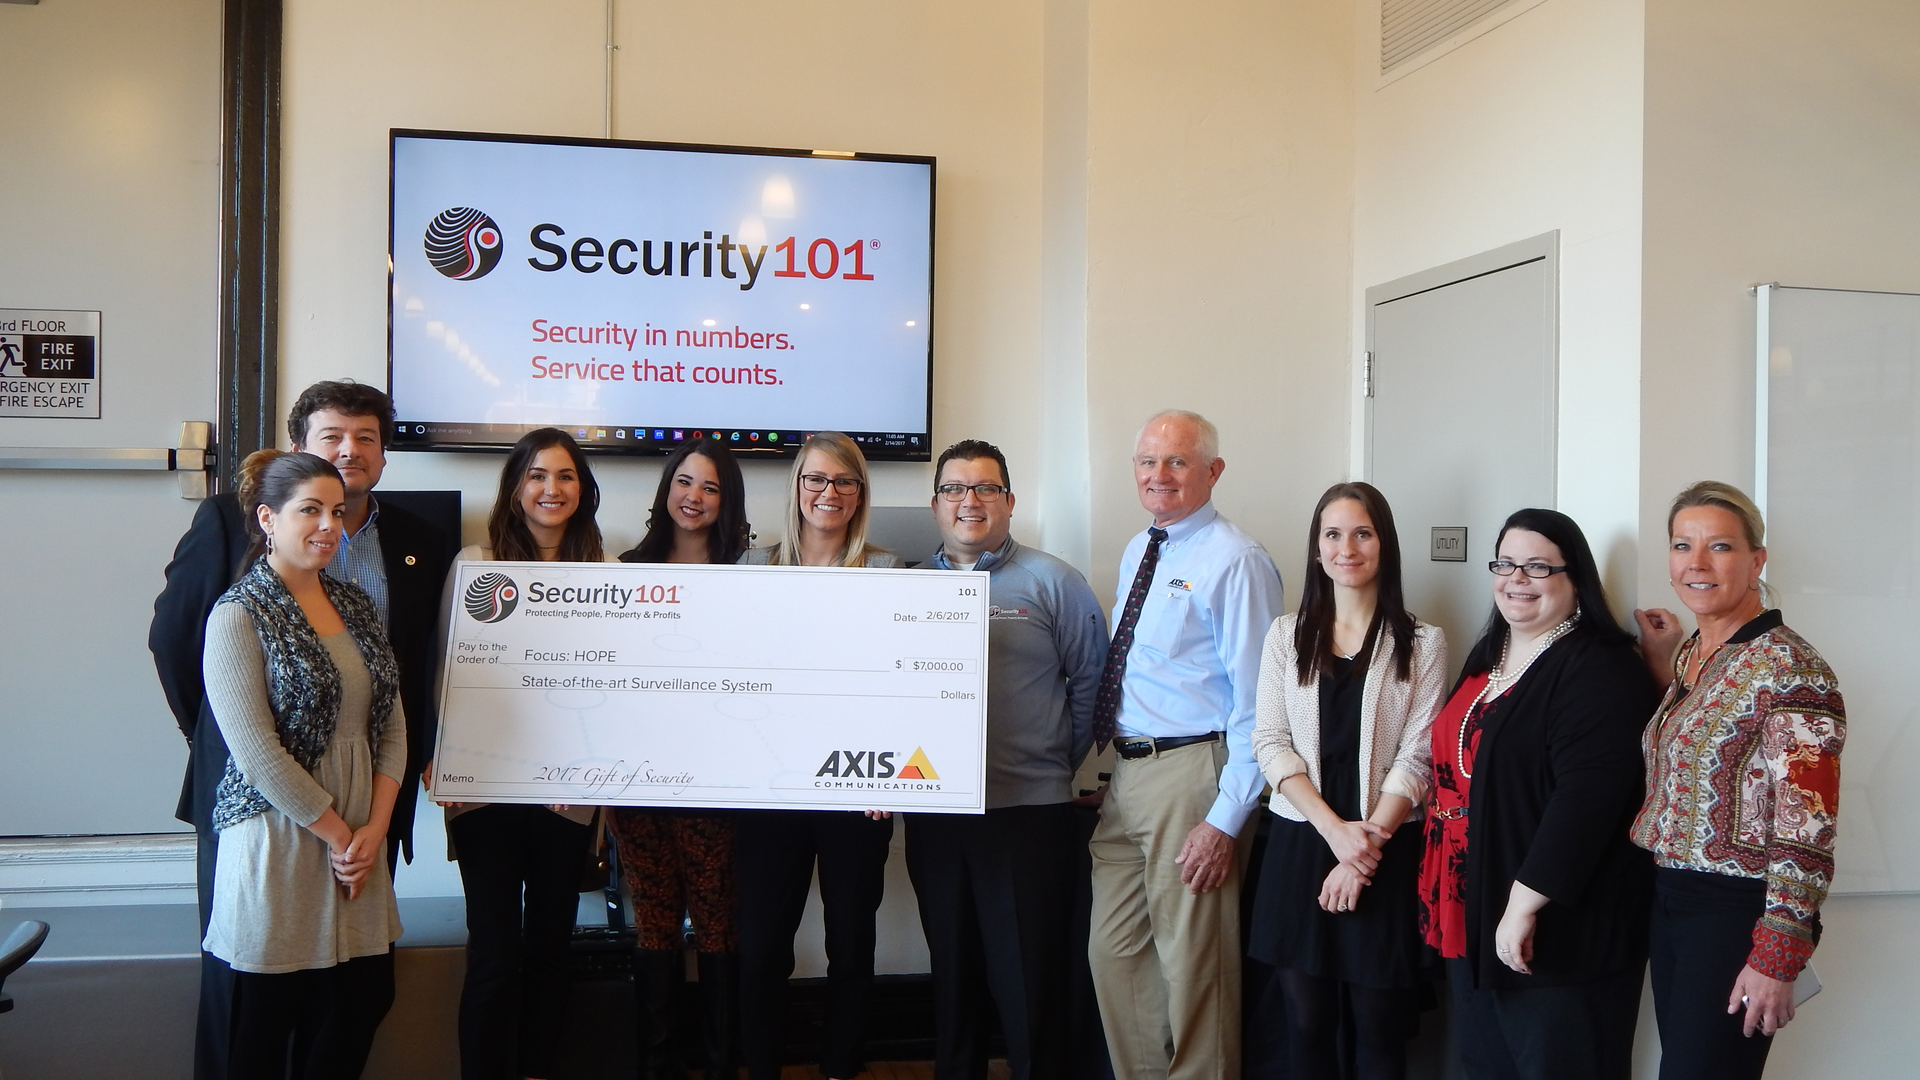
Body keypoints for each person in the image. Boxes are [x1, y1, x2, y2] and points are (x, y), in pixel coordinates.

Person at [151, 380, 450, 1080]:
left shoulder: (407, 547)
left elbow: (403, 690)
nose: (350, 450)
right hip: (266, 811)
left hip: (365, 808)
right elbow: (174, 641)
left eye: (366, 438)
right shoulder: (229, 543)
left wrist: (371, 824)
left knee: (354, 994)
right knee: (253, 1004)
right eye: (332, 436)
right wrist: (225, 743)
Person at [1416, 508, 1658, 1080]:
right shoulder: (1490, 656)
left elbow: (1587, 802)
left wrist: (1522, 906)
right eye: (1505, 564)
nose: (1516, 579)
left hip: (1557, 930)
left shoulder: (1600, 667)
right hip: (1475, 912)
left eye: (1538, 567)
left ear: (1576, 579)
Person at [1087, 410, 1284, 1080]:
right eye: (1148, 461)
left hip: (1195, 772)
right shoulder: (1140, 550)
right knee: (1116, 955)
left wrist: (1225, 819)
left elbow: (1260, 704)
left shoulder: (1237, 560)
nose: (1159, 475)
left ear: (1213, 471)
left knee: (1195, 969)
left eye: (1177, 461)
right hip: (1130, 774)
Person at [905, 439, 1109, 1080]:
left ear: (1010, 501)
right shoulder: (906, 587)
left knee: (1029, 979)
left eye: (985, 488)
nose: (970, 501)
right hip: (937, 816)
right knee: (952, 972)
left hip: (1028, 816)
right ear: (935, 504)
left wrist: (1049, 763)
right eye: (954, 488)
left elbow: (1093, 686)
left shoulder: (1054, 581)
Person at [200, 449, 405, 1077]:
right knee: (267, 1020)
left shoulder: (356, 604)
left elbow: (392, 725)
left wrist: (373, 832)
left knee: (361, 1000)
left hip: (359, 839)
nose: (327, 526)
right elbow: (257, 753)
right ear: (268, 518)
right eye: (309, 510)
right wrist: (341, 836)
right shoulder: (238, 614)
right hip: (281, 836)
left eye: (336, 512)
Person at [1630, 482, 1845, 1080]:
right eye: (1682, 545)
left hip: (1735, 913)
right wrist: (1661, 662)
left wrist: (1778, 953)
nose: (1696, 563)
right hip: (1672, 898)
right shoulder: (1693, 654)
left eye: (1719, 546)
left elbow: (1808, 826)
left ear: (1756, 561)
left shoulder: (1793, 669)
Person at [1248, 482, 1448, 1080]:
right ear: (1317, 548)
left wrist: (1361, 854)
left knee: (1380, 1026)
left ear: (1384, 544)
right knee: (1306, 1024)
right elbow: (1270, 743)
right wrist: (1336, 833)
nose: (1347, 548)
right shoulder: (1286, 636)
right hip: (1302, 843)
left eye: (1363, 533)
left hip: (1383, 848)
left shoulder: (1423, 642)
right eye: (1332, 534)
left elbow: (1419, 759)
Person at [734, 431, 899, 1080]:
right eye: (816, 479)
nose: (829, 492)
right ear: (797, 487)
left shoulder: (888, 573)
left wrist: (892, 779)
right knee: (761, 946)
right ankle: (761, 1067)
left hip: (857, 791)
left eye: (844, 481)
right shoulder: (753, 568)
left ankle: (840, 1068)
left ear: (859, 494)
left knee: (851, 943)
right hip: (769, 790)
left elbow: (901, 688)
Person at [442, 428, 606, 1080]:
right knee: (492, 953)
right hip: (484, 792)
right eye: (537, 475)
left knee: (549, 949)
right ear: (515, 487)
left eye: (565, 476)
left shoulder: (606, 574)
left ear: (582, 490)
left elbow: (612, 692)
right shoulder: (476, 564)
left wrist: (592, 773)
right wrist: (447, 761)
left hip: (567, 796)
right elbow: (447, 672)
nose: (551, 489)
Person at [610, 438, 753, 1080]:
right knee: (655, 920)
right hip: (637, 781)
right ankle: (658, 1065)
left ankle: (721, 1065)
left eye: (711, 488)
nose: (694, 497)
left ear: (728, 502)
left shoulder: (749, 577)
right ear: (666, 489)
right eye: (684, 482)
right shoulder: (622, 571)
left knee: (718, 921)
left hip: (717, 782)